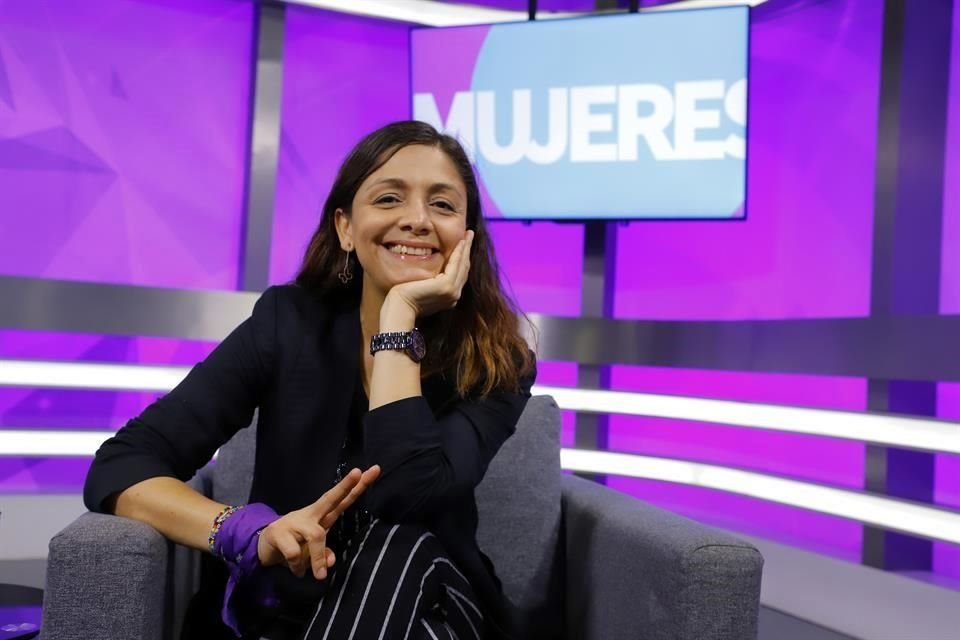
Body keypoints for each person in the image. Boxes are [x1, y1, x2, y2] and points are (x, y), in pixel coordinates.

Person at [83, 120, 537, 640]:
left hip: (431, 602)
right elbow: (122, 465)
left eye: (443, 205)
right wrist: (244, 529)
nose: (417, 220)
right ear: (345, 226)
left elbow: (404, 497)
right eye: (389, 199)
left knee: (396, 544)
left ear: (467, 236)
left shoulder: (501, 363)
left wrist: (398, 321)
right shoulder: (288, 322)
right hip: (285, 606)